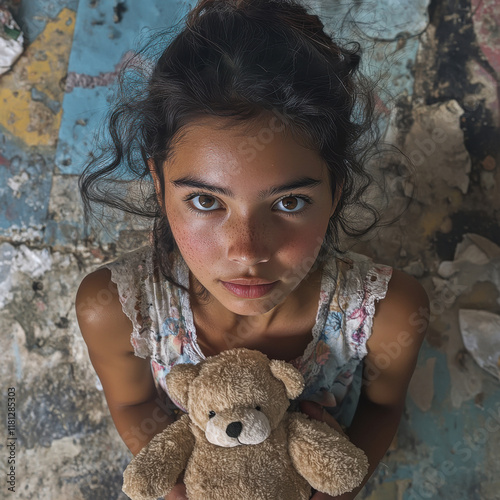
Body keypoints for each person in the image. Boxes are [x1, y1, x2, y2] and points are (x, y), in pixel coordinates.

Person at [75, 0, 430, 498]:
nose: (246, 252)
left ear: (336, 191)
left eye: (289, 201)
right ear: (158, 184)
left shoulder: (388, 315)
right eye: (205, 200)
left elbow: (383, 408)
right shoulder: (117, 311)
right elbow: (135, 408)